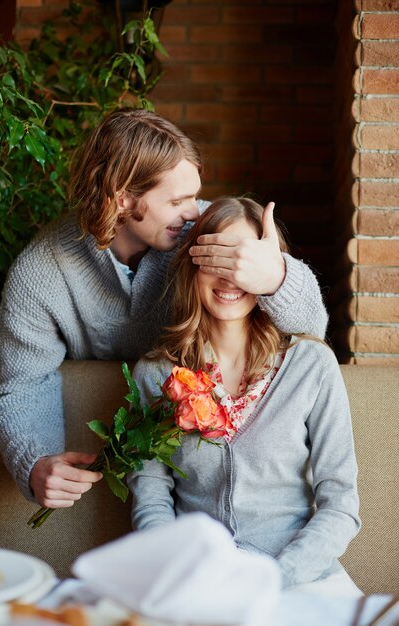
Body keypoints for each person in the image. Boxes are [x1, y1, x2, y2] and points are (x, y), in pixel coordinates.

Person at [0, 109, 328, 510]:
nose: (193, 211)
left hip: (208, 467)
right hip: (129, 468)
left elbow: (313, 330)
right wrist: (35, 461)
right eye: (177, 200)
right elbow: (20, 383)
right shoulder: (41, 272)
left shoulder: (201, 233)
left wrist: (277, 278)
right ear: (123, 199)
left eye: (194, 195)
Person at [127, 196, 361, 594]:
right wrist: (180, 572)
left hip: (298, 578)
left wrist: (274, 579)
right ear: (192, 266)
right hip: (195, 578)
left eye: (242, 261)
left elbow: (341, 506)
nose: (229, 276)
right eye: (215, 259)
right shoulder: (154, 375)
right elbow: (150, 499)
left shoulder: (312, 365)